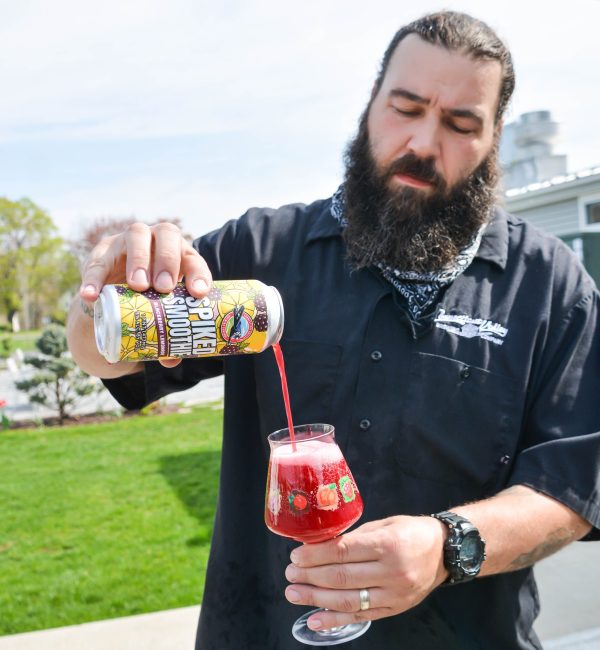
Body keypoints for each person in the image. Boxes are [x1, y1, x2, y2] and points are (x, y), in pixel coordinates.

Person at [67, 11, 600, 650]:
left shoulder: (550, 285)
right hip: (264, 631)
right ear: (370, 104)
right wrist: (101, 297)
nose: (424, 143)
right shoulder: (260, 252)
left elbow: (572, 483)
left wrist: (448, 546)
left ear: (494, 138)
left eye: (461, 124)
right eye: (404, 107)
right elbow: (111, 360)